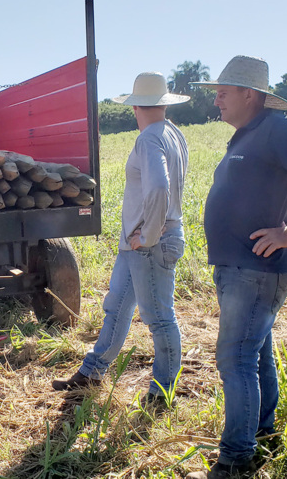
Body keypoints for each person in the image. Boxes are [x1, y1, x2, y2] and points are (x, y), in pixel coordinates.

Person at [186, 56, 287, 479]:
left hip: (255, 271)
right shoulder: (245, 135)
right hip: (239, 270)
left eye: (222, 93)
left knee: (235, 359)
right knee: (257, 355)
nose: (216, 101)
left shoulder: (276, 129)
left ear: (249, 95)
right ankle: (265, 433)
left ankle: (236, 459)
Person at [52, 72, 189, 406]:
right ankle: (92, 371)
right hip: (138, 244)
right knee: (115, 307)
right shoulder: (174, 134)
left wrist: (150, 234)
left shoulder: (148, 139)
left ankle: (162, 393)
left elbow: (159, 186)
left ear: (135, 107)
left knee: (158, 318)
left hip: (149, 244)